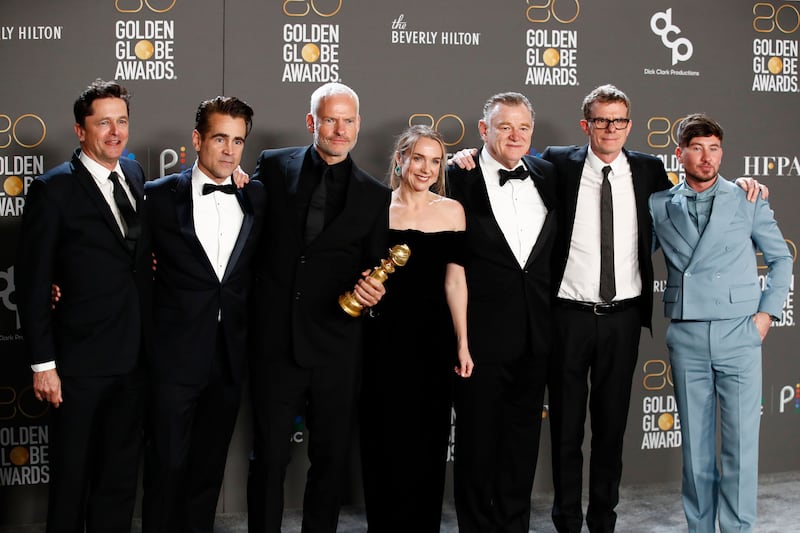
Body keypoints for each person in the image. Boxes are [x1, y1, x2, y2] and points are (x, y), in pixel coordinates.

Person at [450, 86, 766, 533]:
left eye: (618, 121)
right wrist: (465, 156)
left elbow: (698, 193)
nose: (610, 129)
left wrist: (745, 186)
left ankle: (603, 520)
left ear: (630, 126)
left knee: (611, 429)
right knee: (565, 430)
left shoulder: (649, 169)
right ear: (586, 125)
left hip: (622, 318)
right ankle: (565, 520)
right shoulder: (556, 163)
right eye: (601, 120)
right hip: (565, 316)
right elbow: (502, 156)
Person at [247, 82, 391, 533]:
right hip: (276, 342)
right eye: (331, 119)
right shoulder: (271, 167)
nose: (340, 129)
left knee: (328, 463)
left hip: (336, 348)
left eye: (348, 120)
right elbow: (238, 231)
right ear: (312, 122)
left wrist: (372, 294)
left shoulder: (374, 195)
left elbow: (375, 267)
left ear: (359, 125)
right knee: (267, 459)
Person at [16, 79, 151, 533]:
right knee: (72, 483)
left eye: (122, 121)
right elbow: (33, 282)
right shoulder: (52, 190)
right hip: (77, 364)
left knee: (117, 481)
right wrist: (43, 364)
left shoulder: (134, 176)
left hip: (132, 360)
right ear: (80, 130)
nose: (116, 132)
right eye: (103, 123)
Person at [649, 113, 791, 533]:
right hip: (688, 332)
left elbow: (781, 257)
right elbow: (630, 254)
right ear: (680, 153)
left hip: (739, 331)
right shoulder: (659, 204)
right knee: (695, 449)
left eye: (714, 149)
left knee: (742, 447)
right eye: (697, 148)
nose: (707, 158)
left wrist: (766, 315)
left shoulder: (747, 197)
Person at [141, 96, 265, 532]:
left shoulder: (257, 198)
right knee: (166, 465)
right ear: (197, 140)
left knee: (208, 469)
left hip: (229, 356)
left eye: (237, 141)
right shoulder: (157, 197)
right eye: (219, 139)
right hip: (172, 357)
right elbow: (128, 267)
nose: (230, 150)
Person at [447, 92, 557, 533]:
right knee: (476, 443)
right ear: (483, 130)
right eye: (504, 127)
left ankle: (514, 525)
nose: (515, 136)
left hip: (536, 333)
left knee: (522, 442)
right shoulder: (457, 176)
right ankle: (475, 526)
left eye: (524, 127)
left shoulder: (550, 174)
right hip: (478, 337)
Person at [359, 125, 473, 533]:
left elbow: (454, 282)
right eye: (419, 158)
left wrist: (462, 342)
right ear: (400, 160)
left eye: (436, 161)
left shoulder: (452, 211)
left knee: (428, 441)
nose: (427, 168)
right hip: (381, 341)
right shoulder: (376, 209)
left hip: (433, 342)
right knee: (382, 440)